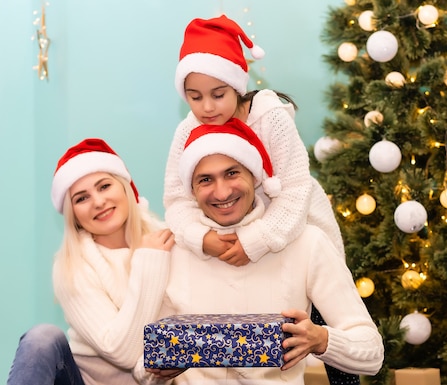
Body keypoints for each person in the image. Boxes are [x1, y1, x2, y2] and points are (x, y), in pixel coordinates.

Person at [164, 15, 357, 385]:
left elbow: (297, 189)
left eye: (218, 94)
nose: (206, 107)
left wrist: (256, 241)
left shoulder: (270, 118)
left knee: (325, 331)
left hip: (295, 232)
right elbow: (176, 198)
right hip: (238, 245)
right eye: (194, 97)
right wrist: (200, 238)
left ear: (237, 84)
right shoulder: (187, 128)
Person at [137, 119, 384, 384]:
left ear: (254, 176)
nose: (221, 192)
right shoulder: (172, 251)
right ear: (192, 191)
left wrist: (321, 339)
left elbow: (372, 354)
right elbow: (140, 369)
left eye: (232, 173)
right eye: (205, 180)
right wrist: (160, 369)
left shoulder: (307, 243)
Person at [7, 138, 175, 385]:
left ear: (125, 187)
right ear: (73, 213)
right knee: (42, 337)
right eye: (81, 198)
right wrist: (148, 263)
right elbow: (122, 353)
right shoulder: (71, 267)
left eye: (104, 186)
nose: (98, 202)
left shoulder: (167, 241)